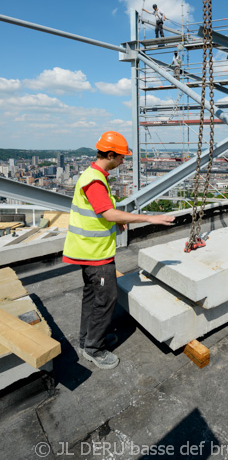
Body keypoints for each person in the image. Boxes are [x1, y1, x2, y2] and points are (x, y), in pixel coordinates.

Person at [62, 131, 175, 369]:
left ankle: (88, 340)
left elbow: (102, 211)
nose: (123, 161)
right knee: (105, 299)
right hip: (96, 254)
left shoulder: (94, 174)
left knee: (92, 298)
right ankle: (94, 348)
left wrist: (116, 220)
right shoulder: (94, 180)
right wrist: (150, 219)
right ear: (110, 154)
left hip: (90, 251)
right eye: (121, 157)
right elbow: (107, 212)